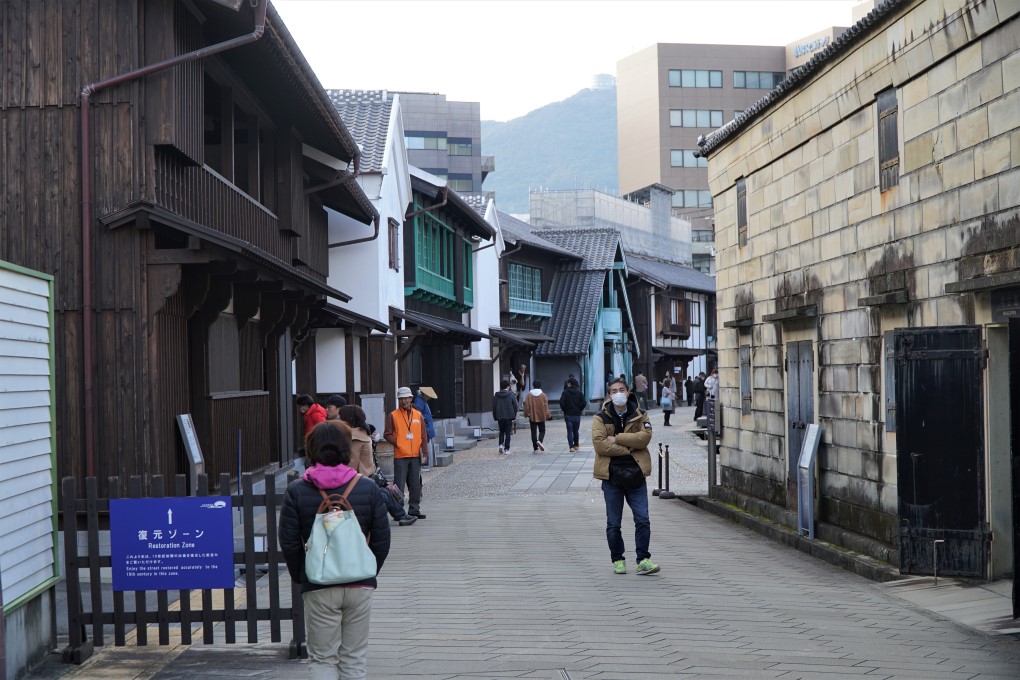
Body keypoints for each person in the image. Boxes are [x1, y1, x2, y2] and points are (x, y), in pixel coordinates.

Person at [279, 421, 391, 679]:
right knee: (354, 658)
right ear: (346, 449)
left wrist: (303, 577)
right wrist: (367, 571)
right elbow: (382, 540)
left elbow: (289, 542)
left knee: (322, 659)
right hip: (359, 583)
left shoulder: (297, 491)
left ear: (311, 449)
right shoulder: (367, 487)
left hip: (319, 584)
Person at [592, 377, 659, 576]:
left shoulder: (640, 414)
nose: (618, 393)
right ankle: (618, 560)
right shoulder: (600, 417)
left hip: (636, 476)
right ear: (609, 394)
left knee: (643, 519)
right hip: (611, 476)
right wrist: (629, 449)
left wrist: (618, 439)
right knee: (613, 523)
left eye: (621, 389)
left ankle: (643, 560)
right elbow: (600, 445)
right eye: (614, 390)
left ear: (628, 392)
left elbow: (645, 438)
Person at [383, 387, 428, 520]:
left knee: (415, 484)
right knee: (399, 485)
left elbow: (423, 436)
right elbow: (387, 434)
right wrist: (398, 442)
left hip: (415, 455)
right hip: (400, 455)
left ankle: (414, 510)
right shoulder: (393, 415)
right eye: (401, 399)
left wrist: (425, 453)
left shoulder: (418, 415)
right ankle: (399, 511)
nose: (403, 401)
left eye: (406, 398)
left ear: (411, 399)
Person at [412, 386, 437, 470]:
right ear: (425, 395)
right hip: (424, 427)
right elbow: (417, 413)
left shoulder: (423, 401)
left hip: (427, 426)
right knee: (424, 444)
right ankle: (424, 464)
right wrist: (425, 420)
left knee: (426, 444)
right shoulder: (419, 401)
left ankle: (426, 464)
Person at [523, 380, 551, 452]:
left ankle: (535, 447)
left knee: (533, 432)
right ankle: (540, 441)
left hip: (532, 416)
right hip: (541, 415)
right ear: (540, 386)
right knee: (542, 430)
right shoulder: (543, 395)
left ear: (533, 386)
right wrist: (548, 415)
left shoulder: (529, 395)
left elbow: (526, 405)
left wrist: (526, 414)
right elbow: (546, 406)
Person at [560, 377, 586, 452]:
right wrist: (579, 409)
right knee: (576, 430)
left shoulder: (565, 392)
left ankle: (571, 446)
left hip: (568, 414)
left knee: (569, 431)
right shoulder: (579, 393)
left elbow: (562, 403)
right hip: (577, 414)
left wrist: (565, 410)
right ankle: (576, 444)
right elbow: (584, 403)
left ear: (569, 384)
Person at [492, 379, 518, 455]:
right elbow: (515, 406)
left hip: (500, 417)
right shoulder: (511, 395)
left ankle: (501, 444)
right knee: (507, 433)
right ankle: (506, 449)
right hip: (509, 416)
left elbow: (494, 407)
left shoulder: (496, 395)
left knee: (501, 431)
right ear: (508, 386)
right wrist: (514, 415)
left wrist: (495, 416)